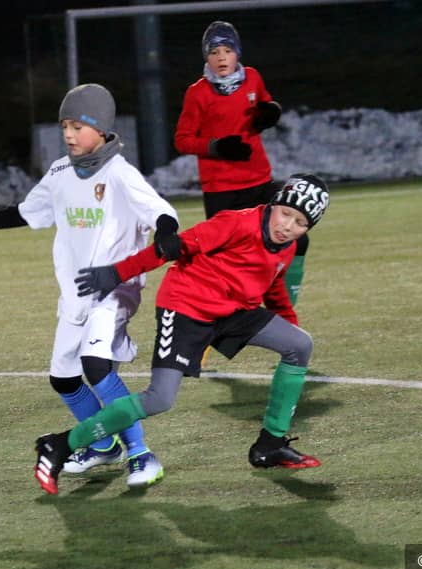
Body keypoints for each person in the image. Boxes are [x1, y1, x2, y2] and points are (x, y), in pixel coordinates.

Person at [0, 83, 180, 488]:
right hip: (75, 294)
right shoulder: (60, 173)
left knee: (96, 366)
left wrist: (166, 232)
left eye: (77, 126)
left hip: (114, 290)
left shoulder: (119, 173)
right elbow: (26, 211)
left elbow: (161, 212)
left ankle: (141, 454)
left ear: (101, 129)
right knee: (64, 379)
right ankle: (102, 445)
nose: (68, 134)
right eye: (64, 126)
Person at [33, 174, 330, 495]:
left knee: (299, 344)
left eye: (300, 222)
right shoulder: (236, 223)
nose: (288, 226)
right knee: (160, 398)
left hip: (233, 311)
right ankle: (61, 444)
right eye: (285, 213)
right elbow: (170, 247)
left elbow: (272, 288)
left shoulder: (287, 245)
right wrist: (116, 273)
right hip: (186, 307)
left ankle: (270, 445)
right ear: (273, 205)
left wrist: (289, 325)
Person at [173, 20, 309, 306]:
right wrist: (217, 147)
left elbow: (266, 105)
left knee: (296, 236)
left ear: (237, 53)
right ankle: (221, 311)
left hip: (260, 181)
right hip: (222, 190)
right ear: (206, 58)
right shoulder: (198, 93)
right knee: (225, 258)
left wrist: (270, 113)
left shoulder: (253, 78)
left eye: (227, 50)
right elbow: (182, 140)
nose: (221, 58)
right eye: (214, 52)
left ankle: (287, 302)